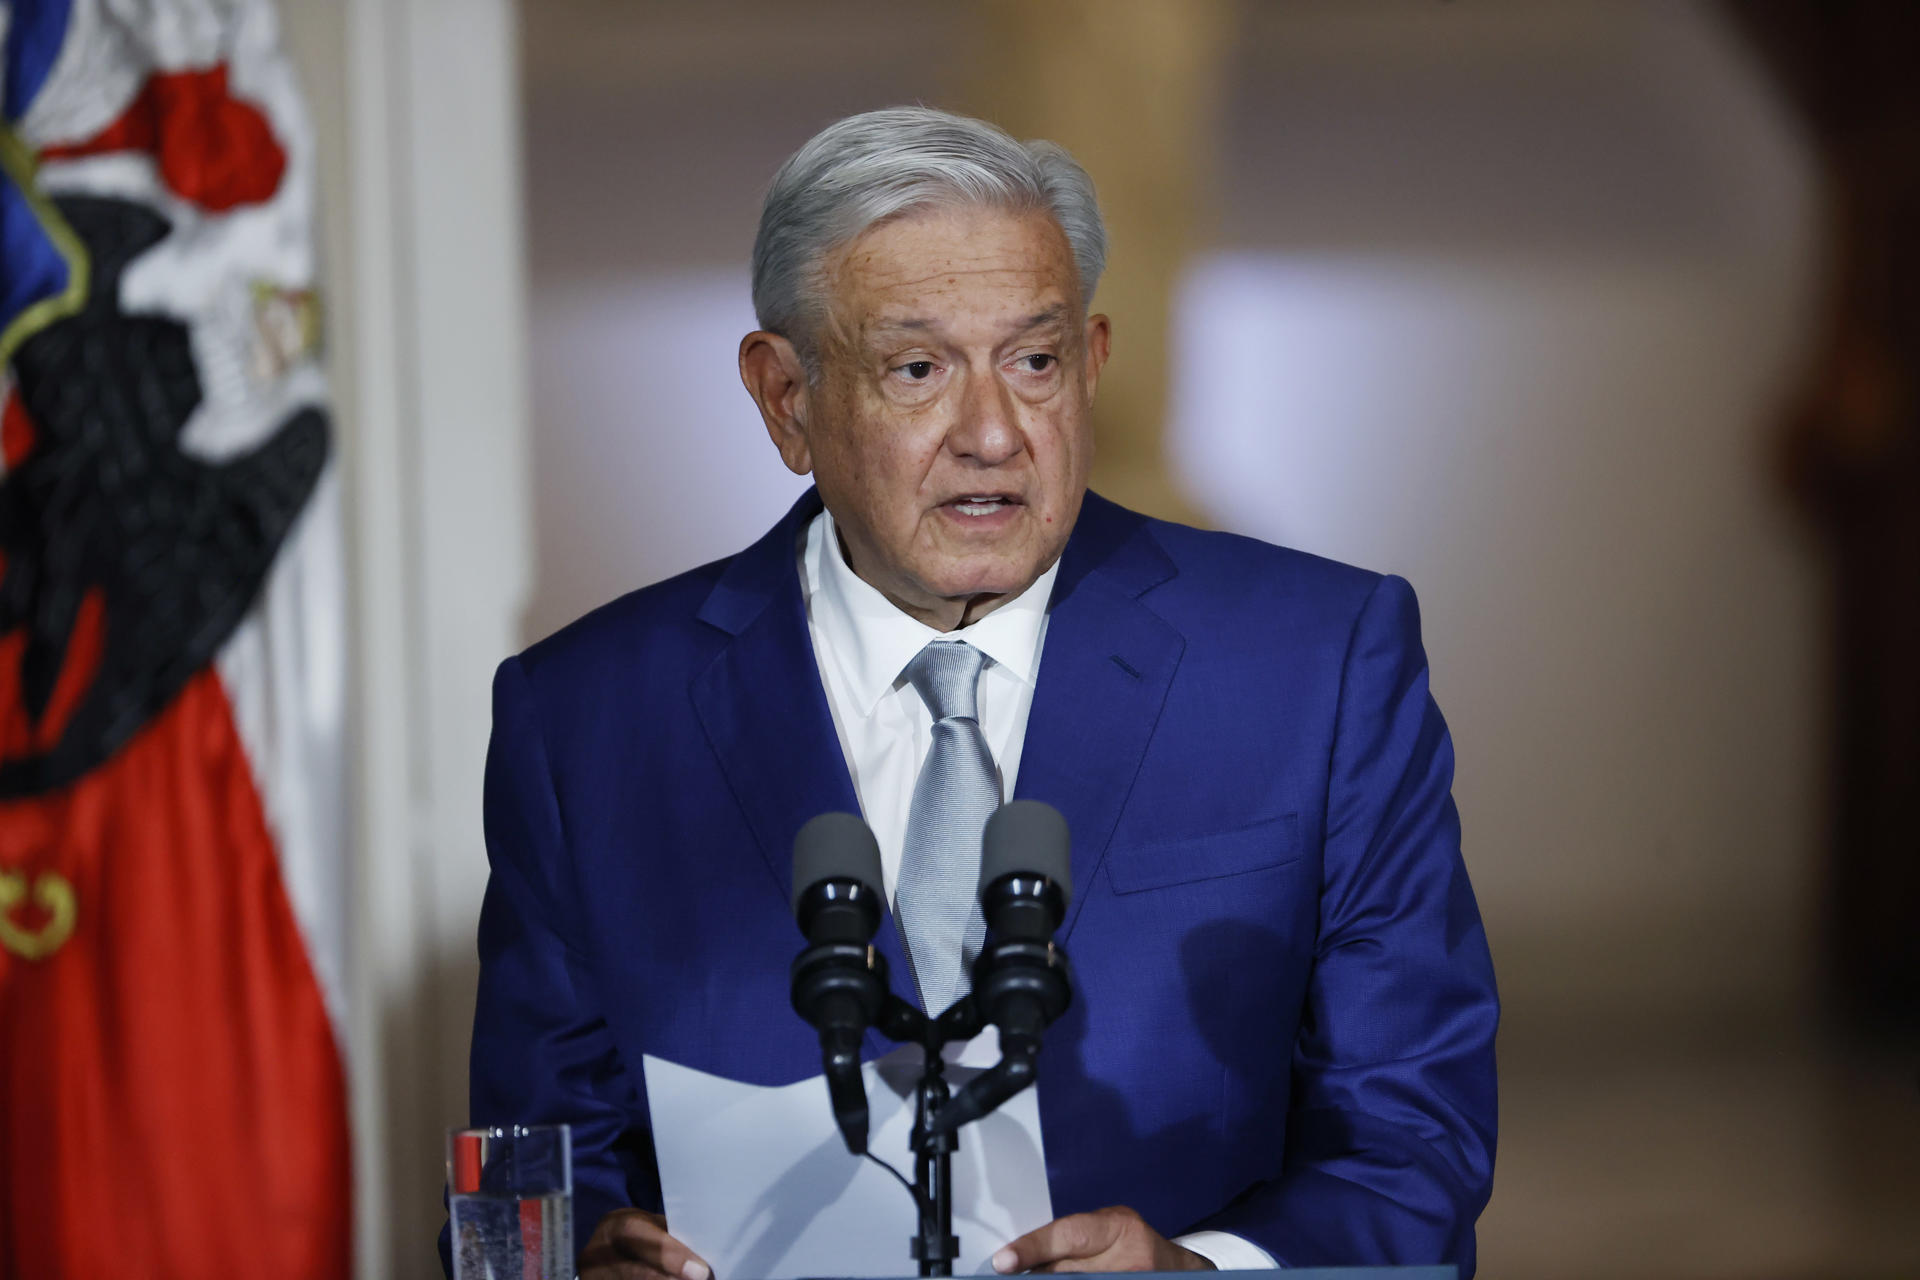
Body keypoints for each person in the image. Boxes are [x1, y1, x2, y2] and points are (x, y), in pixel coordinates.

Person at [456, 106, 1498, 1279]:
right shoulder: (586, 720)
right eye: (918, 369)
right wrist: (581, 1262)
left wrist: (1199, 1272)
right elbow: (527, 1172)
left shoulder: (1318, 665)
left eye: (1034, 360)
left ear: (1093, 363)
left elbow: (1416, 1138)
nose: (995, 431)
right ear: (785, 398)